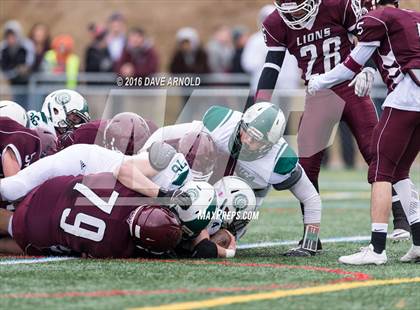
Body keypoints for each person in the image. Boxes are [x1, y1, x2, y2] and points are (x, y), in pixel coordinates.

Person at [256, 0, 410, 243]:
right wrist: (260, 103)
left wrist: (368, 69)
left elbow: (367, 41)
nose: (294, 12)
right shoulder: (276, 22)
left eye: (297, 5)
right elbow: (271, 65)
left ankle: (403, 220)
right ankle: (310, 236)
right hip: (317, 94)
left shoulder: (338, 5)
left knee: (378, 154)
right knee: (305, 167)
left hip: (351, 88)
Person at [307, 0, 420, 265]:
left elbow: (350, 65)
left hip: (404, 100)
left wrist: (319, 81)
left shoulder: (378, 17)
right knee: (401, 171)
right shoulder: (413, 16)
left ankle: (377, 248)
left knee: (380, 170)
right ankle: (418, 242)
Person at [143, 102, 323, 256]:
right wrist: (142, 159)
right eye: (247, 133)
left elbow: (311, 198)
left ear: (271, 145)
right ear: (242, 124)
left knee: (235, 201)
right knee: (197, 150)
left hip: (235, 203)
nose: (247, 141)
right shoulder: (222, 124)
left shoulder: (278, 160)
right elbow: (163, 134)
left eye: (256, 141)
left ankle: (195, 239)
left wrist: (310, 243)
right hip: (201, 184)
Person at [0, 173, 182, 258]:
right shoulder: (118, 247)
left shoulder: (133, 193)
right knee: (23, 233)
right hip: (40, 225)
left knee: (19, 218)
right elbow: (87, 254)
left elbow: (115, 172)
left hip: (55, 185)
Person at [0, 20, 35, 110]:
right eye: (8, 36)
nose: (11, 39)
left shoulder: (26, 45)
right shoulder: (3, 48)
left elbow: (28, 64)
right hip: (9, 81)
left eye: (13, 36)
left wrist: (23, 69)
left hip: (25, 81)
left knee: (25, 104)